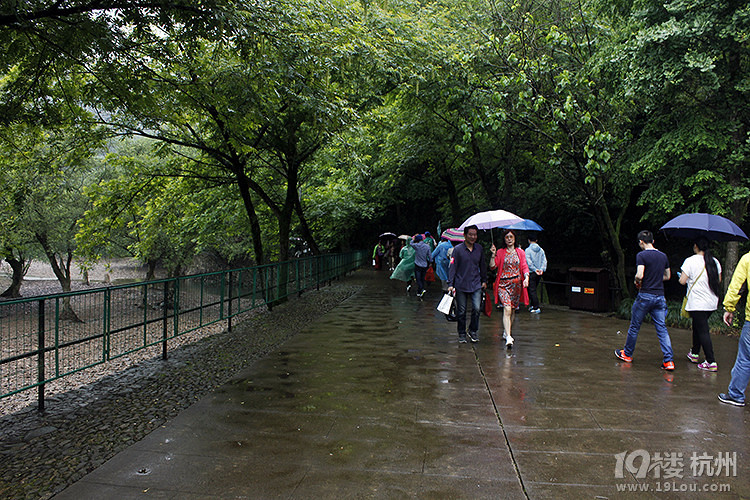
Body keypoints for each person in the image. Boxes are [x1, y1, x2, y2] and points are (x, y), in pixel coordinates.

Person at [614, 230, 675, 371]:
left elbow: (640, 275)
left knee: (634, 327)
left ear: (641, 242)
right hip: (660, 297)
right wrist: (655, 279)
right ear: (652, 241)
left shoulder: (641, 255)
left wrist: (638, 280)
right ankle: (668, 361)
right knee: (662, 329)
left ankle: (627, 354)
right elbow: (667, 276)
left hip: (645, 296)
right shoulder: (663, 256)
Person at [679, 237, 722, 371]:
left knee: (703, 330)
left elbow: (682, 281)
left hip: (697, 302)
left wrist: (682, 276)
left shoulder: (690, 261)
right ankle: (695, 353)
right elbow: (718, 280)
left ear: (696, 246)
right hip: (711, 302)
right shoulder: (715, 261)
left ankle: (711, 361)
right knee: (698, 326)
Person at [718, 250, 750, 406]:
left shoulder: (748, 259)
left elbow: (737, 285)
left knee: (745, 358)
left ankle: (736, 394)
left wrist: (729, 307)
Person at [447, 225, 487, 343]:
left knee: (476, 308)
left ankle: (473, 331)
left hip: (475, 283)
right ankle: (462, 333)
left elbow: (482, 266)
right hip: (461, 284)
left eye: (475, 234)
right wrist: (450, 283)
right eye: (470, 234)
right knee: (461, 311)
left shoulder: (479, 249)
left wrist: (484, 280)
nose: (473, 237)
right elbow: (452, 267)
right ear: (465, 235)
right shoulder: (458, 250)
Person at [490, 230, 529, 348]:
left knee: (512, 310)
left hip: (516, 285)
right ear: (504, 239)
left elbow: (524, 266)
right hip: (503, 284)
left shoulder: (520, 252)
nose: (509, 239)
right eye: (507, 237)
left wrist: (526, 278)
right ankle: (509, 336)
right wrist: (493, 254)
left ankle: (507, 331)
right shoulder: (500, 252)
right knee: (506, 308)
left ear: (515, 238)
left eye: (511, 237)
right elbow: (493, 266)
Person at [525, 234, 547, 314]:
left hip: (532, 272)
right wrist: (541, 269)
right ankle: (532, 305)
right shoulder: (541, 250)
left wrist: (534, 269)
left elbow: (528, 262)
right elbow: (544, 261)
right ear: (537, 240)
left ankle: (536, 307)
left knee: (532, 290)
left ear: (529, 240)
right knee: (534, 289)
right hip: (539, 273)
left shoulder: (527, 250)